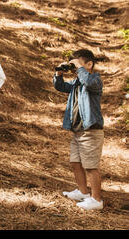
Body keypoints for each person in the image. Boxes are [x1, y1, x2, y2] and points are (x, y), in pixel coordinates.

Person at [53, 49, 104, 210]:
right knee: (75, 162)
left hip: (91, 131)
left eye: (78, 65)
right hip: (77, 131)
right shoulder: (76, 83)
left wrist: (80, 69)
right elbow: (60, 86)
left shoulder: (95, 80)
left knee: (90, 166)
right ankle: (83, 192)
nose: (75, 70)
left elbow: (88, 82)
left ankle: (96, 200)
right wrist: (59, 73)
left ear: (89, 64)